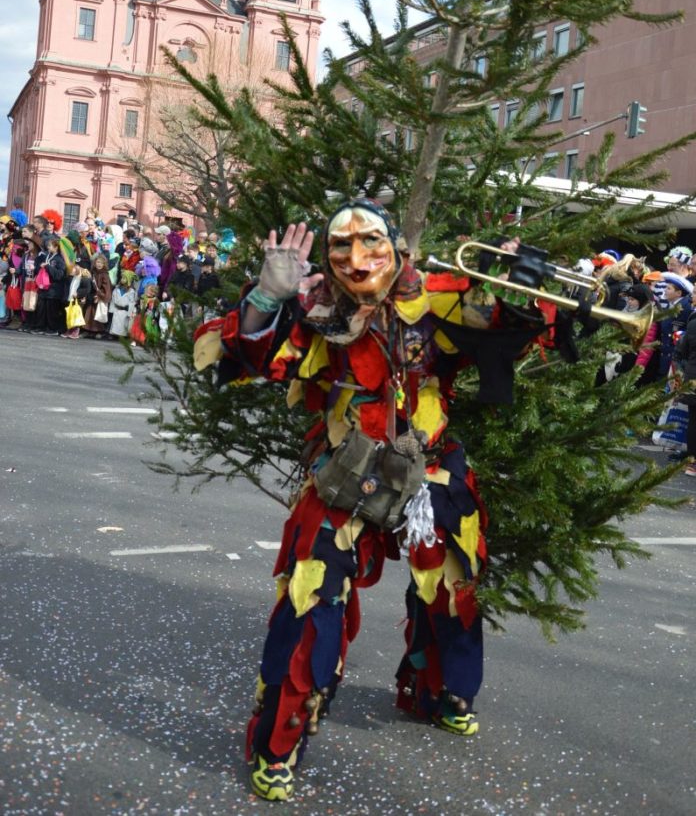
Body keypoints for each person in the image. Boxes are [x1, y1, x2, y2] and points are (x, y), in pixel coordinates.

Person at [193, 200, 559, 802]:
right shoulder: (317, 308)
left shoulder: (435, 294)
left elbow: (501, 333)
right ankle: (279, 744)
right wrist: (266, 296)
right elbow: (256, 357)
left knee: (453, 585)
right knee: (309, 594)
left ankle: (440, 692)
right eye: (341, 246)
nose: (357, 257)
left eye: (370, 242)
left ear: (397, 244)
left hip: (431, 464)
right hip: (346, 471)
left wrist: (518, 283)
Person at [674, 283, 696, 476]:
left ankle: (692, 462)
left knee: (693, 420)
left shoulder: (693, 322)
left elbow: (683, 351)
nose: (692, 296)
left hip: (693, 376)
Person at [33, 236, 67, 335]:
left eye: (50, 246)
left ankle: (53, 329)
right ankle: (41, 327)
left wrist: (47, 267)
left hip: (54, 289)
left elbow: (59, 275)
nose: (48, 248)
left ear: (56, 247)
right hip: (43, 288)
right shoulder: (47, 256)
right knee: (41, 309)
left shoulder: (59, 259)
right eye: (48, 246)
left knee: (51, 310)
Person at [83, 254, 113, 338]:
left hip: (99, 297)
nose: (99, 264)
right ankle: (88, 330)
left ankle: (99, 331)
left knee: (98, 314)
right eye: (97, 262)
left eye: (101, 263)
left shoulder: (105, 275)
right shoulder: (93, 273)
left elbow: (106, 288)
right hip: (92, 296)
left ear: (104, 264)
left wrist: (99, 296)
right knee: (90, 314)